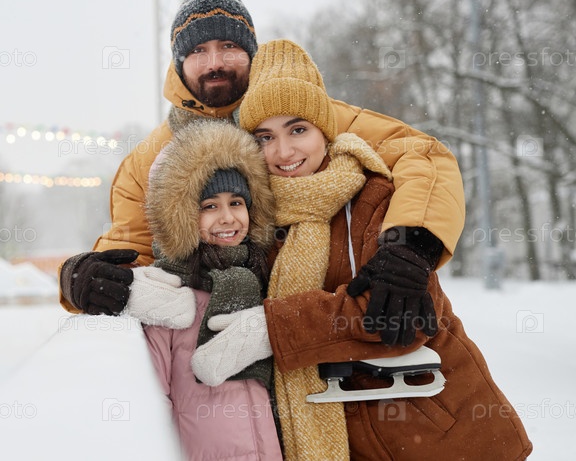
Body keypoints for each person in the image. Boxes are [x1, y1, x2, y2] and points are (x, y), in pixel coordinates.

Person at [58, 0, 466, 348]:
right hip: (215, 352)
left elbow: (422, 155)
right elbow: (132, 252)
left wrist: (410, 245)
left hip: (312, 333)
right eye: (198, 51)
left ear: (251, 52)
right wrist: (79, 278)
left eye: (229, 46)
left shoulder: (302, 114)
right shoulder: (150, 158)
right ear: (178, 62)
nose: (215, 63)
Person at [192, 39, 532, 460]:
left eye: (298, 129)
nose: (283, 152)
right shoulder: (252, 220)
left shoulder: (374, 196)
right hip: (350, 441)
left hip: (440, 433)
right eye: (265, 137)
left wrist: (273, 328)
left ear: (324, 130)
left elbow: (402, 316)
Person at [123, 120, 282, 460]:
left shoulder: (263, 278)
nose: (227, 218)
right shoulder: (168, 292)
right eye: (209, 206)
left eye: (236, 202)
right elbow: (153, 398)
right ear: (180, 215)